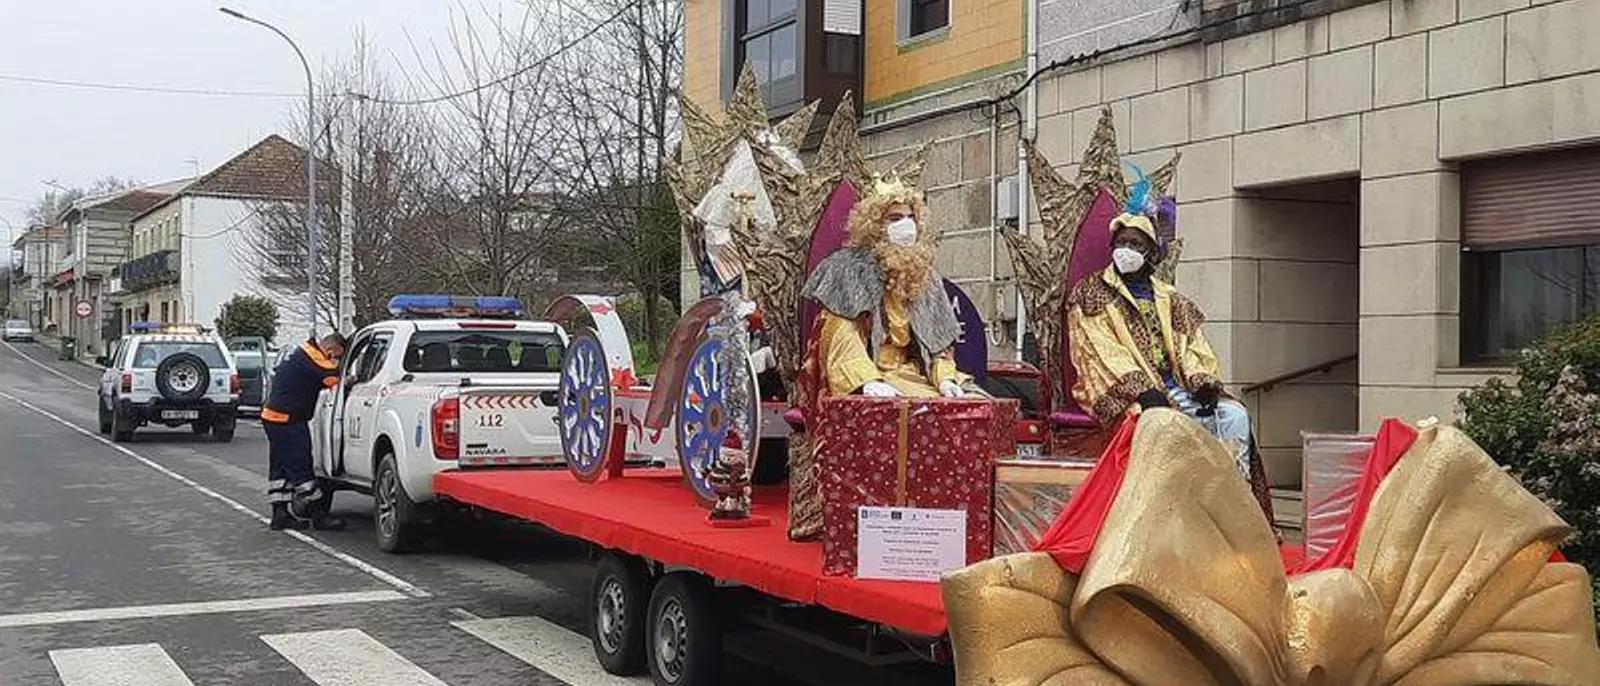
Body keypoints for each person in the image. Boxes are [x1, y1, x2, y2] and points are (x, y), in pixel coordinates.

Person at [1065, 174, 1274, 520]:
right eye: (1122, 242)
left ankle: (1235, 508)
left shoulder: (1171, 298)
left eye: (1135, 244)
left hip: (1177, 387)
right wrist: (1141, 390)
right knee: (1161, 423)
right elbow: (1098, 351)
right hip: (1126, 392)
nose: (1126, 250)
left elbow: (1192, 346)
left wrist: (1202, 382)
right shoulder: (1091, 292)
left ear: (1149, 253)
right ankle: (1171, 517)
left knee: (1234, 416)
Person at [802, 176, 971, 399]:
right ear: (876, 226)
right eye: (895, 218)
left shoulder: (924, 276)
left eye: (911, 217)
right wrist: (867, 380)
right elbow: (840, 335)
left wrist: (946, 378)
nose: (906, 225)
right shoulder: (847, 269)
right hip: (871, 372)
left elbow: (938, 343)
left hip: (911, 374)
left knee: (977, 404)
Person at [261, 333, 347, 531]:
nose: (336, 359)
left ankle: (280, 513)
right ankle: (318, 514)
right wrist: (348, 376)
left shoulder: (303, 352)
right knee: (301, 465)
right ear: (330, 350)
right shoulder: (313, 357)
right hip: (288, 419)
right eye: (337, 356)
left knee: (281, 466)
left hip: (275, 416)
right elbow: (333, 380)